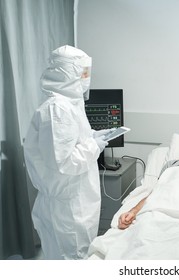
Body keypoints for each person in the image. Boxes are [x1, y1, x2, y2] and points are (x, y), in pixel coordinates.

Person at [23, 45, 114, 259]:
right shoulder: (58, 109)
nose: (86, 78)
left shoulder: (71, 104)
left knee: (77, 254)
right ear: (67, 73)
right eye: (82, 72)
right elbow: (65, 162)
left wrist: (93, 136)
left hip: (76, 199)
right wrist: (95, 145)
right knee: (73, 257)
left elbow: (71, 141)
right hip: (67, 206)